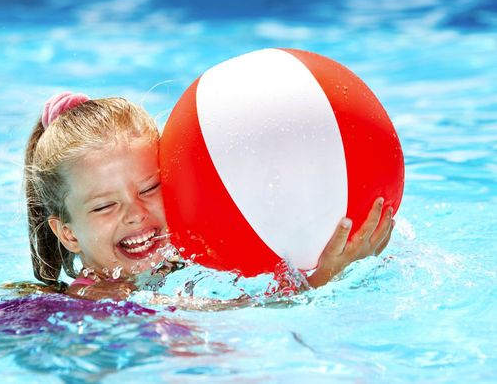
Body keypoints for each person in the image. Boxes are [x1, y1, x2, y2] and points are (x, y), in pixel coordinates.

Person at [24, 92, 394, 301]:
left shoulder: (184, 259)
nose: (135, 213)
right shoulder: (102, 297)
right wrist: (321, 282)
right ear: (68, 233)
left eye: (150, 188)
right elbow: (227, 312)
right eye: (105, 206)